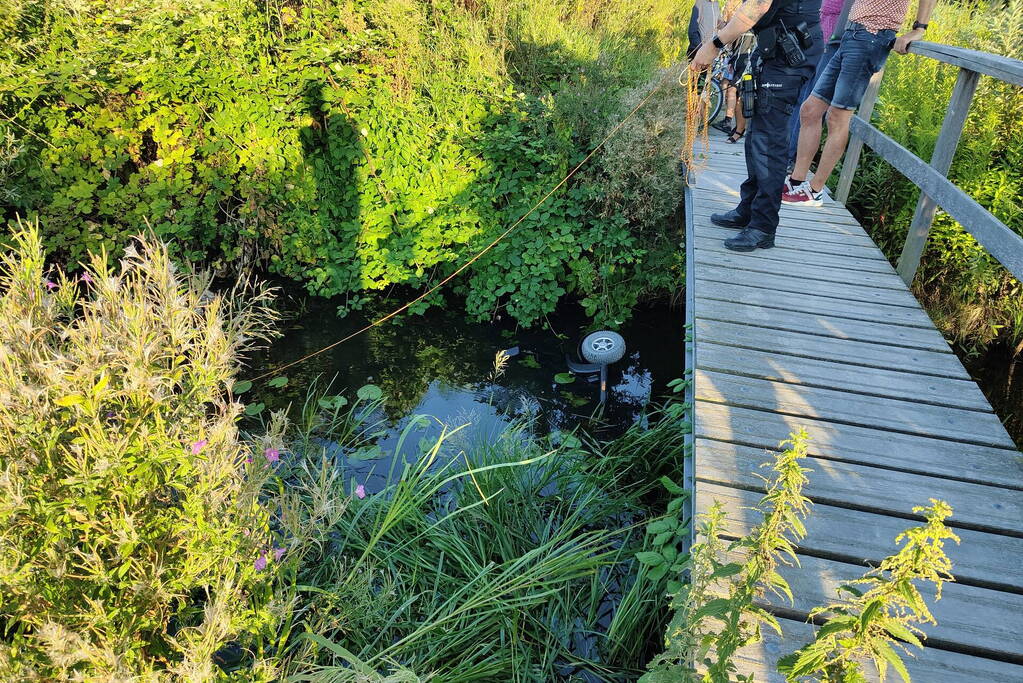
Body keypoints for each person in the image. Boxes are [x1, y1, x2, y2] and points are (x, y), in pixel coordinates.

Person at [691, 0, 824, 252]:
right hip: (775, 47)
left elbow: (757, 6)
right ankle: (749, 210)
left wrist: (714, 45)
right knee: (756, 137)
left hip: (789, 53)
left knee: (769, 142)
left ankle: (763, 227)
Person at [782, 0, 937, 206]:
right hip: (850, 34)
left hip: (872, 36)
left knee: (837, 116)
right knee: (810, 110)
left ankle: (815, 190)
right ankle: (796, 181)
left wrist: (919, 28)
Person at [785, 0, 848, 169]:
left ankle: (792, 157)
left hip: (830, 49)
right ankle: (787, 151)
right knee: (800, 98)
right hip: (813, 47)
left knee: (811, 103)